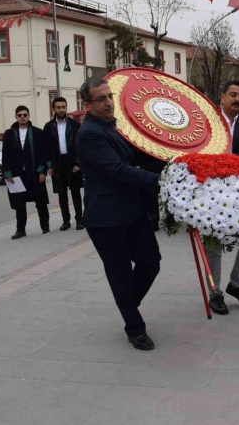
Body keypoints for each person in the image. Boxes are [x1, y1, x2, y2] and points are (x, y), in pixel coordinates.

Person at [76, 79, 161, 351]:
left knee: (151, 262)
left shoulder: (113, 126)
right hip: (106, 218)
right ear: (87, 105)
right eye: (101, 99)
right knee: (120, 274)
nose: (109, 102)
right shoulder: (90, 133)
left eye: (110, 96)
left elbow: (139, 153)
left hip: (132, 211)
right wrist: (162, 181)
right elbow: (119, 169)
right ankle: (134, 327)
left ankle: (127, 304)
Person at [205, 81, 239, 314]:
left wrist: (220, 165)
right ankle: (215, 292)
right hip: (208, 189)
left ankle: (236, 283)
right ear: (222, 97)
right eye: (233, 95)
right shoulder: (207, 121)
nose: (237, 99)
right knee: (213, 243)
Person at [3, 105, 50, 239]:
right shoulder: (9, 133)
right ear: (16, 117)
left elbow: (43, 153)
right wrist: (7, 173)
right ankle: (20, 230)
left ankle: (45, 227)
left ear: (29, 116)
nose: (22, 117)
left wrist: (42, 172)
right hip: (17, 174)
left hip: (35, 172)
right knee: (19, 203)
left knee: (40, 201)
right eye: (20, 115)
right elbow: (5, 154)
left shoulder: (37, 132)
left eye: (25, 115)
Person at [43, 97, 83, 231]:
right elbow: (45, 148)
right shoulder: (48, 127)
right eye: (58, 107)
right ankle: (66, 221)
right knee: (62, 194)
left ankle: (79, 220)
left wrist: (78, 163)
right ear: (54, 109)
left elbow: (80, 146)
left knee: (76, 193)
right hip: (57, 163)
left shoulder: (75, 125)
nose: (61, 109)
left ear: (66, 107)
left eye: (63, 107)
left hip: (72, 163)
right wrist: (49, 166)